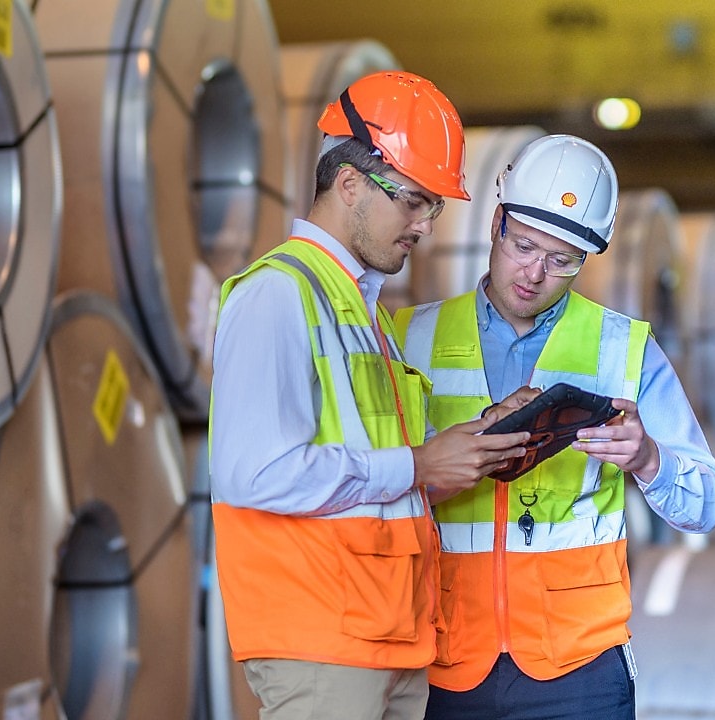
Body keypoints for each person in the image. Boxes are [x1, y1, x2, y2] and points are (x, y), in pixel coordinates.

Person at [208, 70, 530, 720]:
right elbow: (254, 473)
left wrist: (470, 447)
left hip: (387, 636)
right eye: (413, 200)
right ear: (349, 183)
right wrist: (418, 463)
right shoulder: (278, 295)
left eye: (433, 207)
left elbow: (378, 485)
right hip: (322, 640)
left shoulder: (363, 313)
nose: (424, 226)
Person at [393, 134, 715, 719]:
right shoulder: (410, 338)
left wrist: (649, 460)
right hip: (445, 659)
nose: (534, 273)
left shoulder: (625, 349)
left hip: (580, 667)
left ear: (586, 258)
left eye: (562, 259)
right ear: (496, 223)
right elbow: (372, 489)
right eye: (523, 245)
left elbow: (705, 505)